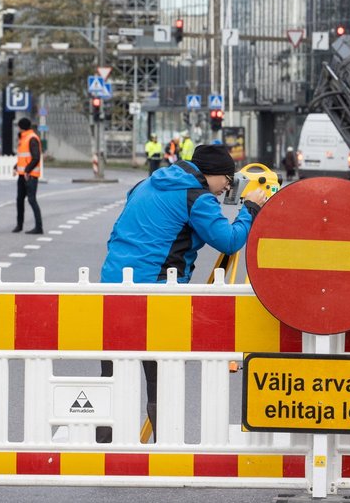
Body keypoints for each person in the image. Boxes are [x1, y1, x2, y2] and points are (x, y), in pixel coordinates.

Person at [99, 143, 265, 441]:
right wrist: (250, 208)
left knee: (111, 377)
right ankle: (165, 448)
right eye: (227, 181)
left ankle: (103, 449)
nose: (225, 188)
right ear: (213, 175)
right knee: (159, 377)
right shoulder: (197, 198)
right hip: (155, 292)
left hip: (111, 285)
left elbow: (148, 227)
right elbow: (229, 241)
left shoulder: (147, 182)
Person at [13, 117, 44, 234]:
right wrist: (16, 166)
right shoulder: (24, 138)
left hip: (30, 175)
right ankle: (19, 225)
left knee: (32, 200)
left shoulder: (32, 138)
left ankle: (39, 227)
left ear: (21, 127)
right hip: (22, 175)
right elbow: (24, 157)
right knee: (19, 200)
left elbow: (36, 157)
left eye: (19, 126)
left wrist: (27, 170)